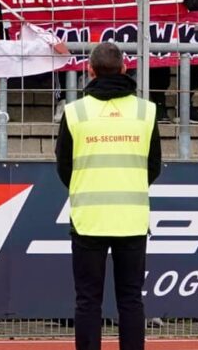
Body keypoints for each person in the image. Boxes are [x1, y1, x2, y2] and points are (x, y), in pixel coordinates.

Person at [55, 40, 161, 350]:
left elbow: (64, 165)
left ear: (89, 71)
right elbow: (153, 165)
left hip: (89, 218)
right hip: (131, 217)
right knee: (130, 299)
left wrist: (86, 187)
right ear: (125, 68)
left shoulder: (75, 112)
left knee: (88, 300)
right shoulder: (146, 111)